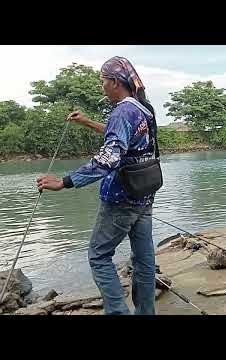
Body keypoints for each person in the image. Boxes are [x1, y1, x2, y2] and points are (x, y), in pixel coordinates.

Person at [37, 56, 159, 315]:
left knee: (99, 256)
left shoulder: (123, 111)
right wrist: (88, 122)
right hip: (144, 197)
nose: (101, 86)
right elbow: (124, 138)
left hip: (121, 200)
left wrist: (64, 182)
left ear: (115, 82)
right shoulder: (142, 109)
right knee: (144, 261)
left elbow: (108, 159)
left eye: (103, 81)